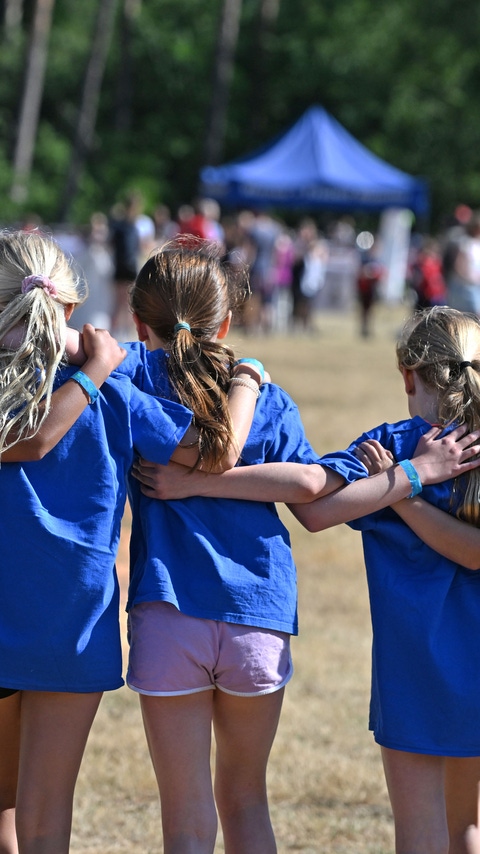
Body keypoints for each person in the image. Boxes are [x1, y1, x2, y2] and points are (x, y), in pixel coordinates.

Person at [133, 305, 480, 854]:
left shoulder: (394, 445)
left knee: (421, 832)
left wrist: (405, 485)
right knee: (467, 829)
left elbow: (316, 509)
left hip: (416, 673)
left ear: (408, 375)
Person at [0, 228, 210, 854]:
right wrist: (248, 379)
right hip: (74, 621)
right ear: (68, 307)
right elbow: (202, 446)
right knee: (45, 813)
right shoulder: (116, 386)